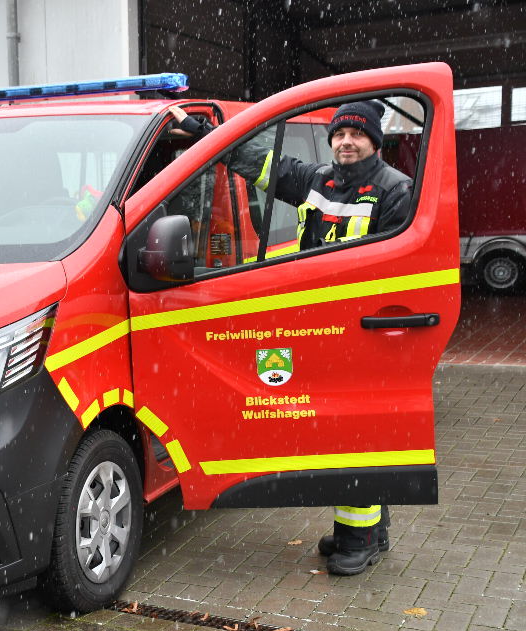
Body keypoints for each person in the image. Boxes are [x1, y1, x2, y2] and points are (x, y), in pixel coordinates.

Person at [170, 100, 408, 576]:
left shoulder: (394, 190)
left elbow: (398, 269)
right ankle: (373, 527)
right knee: (344, 433)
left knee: (353, 436)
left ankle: (356, 537)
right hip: (321, 332)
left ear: (374, 142)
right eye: (340, 133)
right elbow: (255, 161)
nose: (346, 141)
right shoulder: (316, 181)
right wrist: (200, 133)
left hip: (362, 334)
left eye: (357, 135)